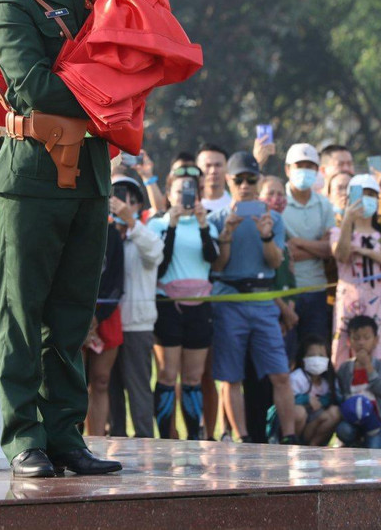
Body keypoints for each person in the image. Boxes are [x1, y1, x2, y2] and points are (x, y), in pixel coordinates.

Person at [0, 0, 117, 478]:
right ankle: (22, 435)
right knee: (21, 309)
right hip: (31, 172)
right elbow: (32, 85)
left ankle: (65, 432)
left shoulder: (94, 1)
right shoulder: (9, 6)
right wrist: (101, 88)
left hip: (87, 168)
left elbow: (127, 62)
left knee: (71, 312)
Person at [208, 151, 297, 444]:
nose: (245, 185)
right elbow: (218, 266)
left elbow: (274, 263)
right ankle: (242, 438)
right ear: (229, 181)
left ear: (258, 181)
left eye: (250, 179)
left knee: (280, 374)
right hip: (229, 300)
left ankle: (290, 437)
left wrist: (267, 236)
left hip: (262, 301)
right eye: (239, 179)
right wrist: (226, 236)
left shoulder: (273, 219)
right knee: (231, 377)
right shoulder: (216, 218)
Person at [149, 170, 217, 440]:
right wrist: (173, 226)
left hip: (199, 306)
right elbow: (161, 267)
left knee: (193, 377)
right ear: (168, 195)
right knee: (167, 374)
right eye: (178, 192)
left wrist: (202, 225)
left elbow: (211, 257)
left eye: (190, 193)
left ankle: (194, 437)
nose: (184, 198)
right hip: (168, 306)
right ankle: (166, 437)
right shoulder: (158, 225)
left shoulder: (207, 224)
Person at [331, 174, 381, 368]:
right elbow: (341, 254)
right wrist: (348, 219)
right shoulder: (338, 231)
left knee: (380, 357)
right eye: (361, 194)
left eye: (372, 194)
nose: (367, 198)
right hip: (349, 304)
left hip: (380, 304)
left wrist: (366, 252)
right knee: (346, 357)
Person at [110, 176, 162, 439]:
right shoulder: (102, 235)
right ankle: (114, 441)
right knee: (108, 389)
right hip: (106, 323)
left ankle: (145, 442)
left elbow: (155, 253)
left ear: (140, 205)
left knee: (139, 389)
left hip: (136, 325)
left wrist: (131, 222)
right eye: (118, 196)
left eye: (131, 199)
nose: (124, 204)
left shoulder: (145, 234)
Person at [85, 179, 130, 436]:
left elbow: (117, 280)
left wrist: (97, 317)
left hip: (107, 314)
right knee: (75, 382)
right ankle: (72, 437)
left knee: (101, 380)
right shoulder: (73, 228)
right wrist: (85, 314)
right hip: (76, 314)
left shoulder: (112, 233)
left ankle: (98, 437)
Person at [279, 143, 337, 344]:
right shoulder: (278, 202)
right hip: (287, 292)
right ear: (287, 170)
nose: (304, 170)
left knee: (315, 356)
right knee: (288, 356)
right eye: (299, 165)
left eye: (310, 166)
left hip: (317, 290)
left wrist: (297, 242)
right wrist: (317, 247)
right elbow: (282, 254)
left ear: (317, 170)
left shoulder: (324, 204)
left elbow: (331, 248)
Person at [332, 315, 381, 449]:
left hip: (375, 422)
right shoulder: (345, 368)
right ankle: (352, 442)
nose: (361, 342)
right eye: (356, 338)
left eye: (366, 338)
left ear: (376, 340)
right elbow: (340, 394)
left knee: (375, 455)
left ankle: (372, 440)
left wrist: (369, 367)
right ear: (349, 341)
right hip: (351, 420)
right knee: (343, 430)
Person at [276, 336, 341, 446]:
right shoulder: (296, 378)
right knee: (299, 412)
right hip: (296, 424)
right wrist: (306, 399)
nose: (316, 359)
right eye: (311, 355)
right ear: (303, 358)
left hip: (312, 425)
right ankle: (290, 443)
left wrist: (323, 401)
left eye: (321, 355)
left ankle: (313, 446)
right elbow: (285, 401)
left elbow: (333, 399)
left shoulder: (328, 382)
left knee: (335, 412)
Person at [197, 144, 232, 214]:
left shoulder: (234, 205)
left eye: (218, 165)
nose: (213, 171)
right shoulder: (189, 207)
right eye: (208, 166)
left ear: (227, 168)